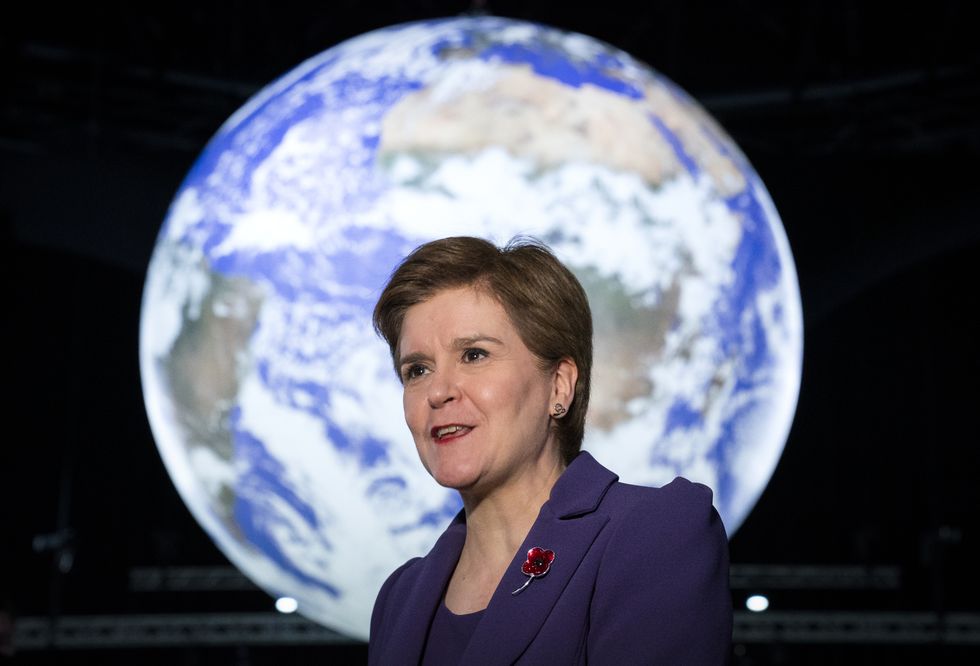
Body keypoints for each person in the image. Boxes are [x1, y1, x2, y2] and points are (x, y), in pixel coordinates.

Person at [368, 236, 732, 664]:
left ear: (559, 385)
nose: (438, 391)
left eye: (474, 354)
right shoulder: (399, 599)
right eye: (417, 370)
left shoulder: (654, 535)